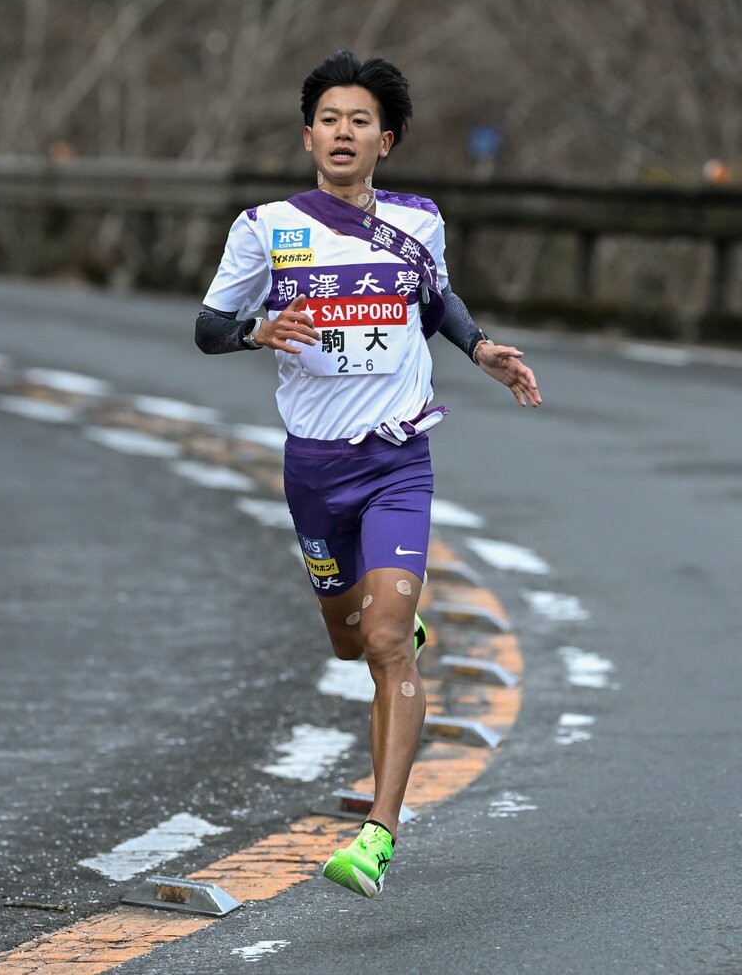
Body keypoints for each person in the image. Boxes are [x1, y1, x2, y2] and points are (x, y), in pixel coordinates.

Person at [195, 49, 540, 899]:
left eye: (362, 121)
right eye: (330, 119)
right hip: (314, 468)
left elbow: (437, 302)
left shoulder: (420, 223)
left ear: (386, 140)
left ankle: (378, 834)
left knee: (387, 641)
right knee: (349, 639)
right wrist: (256, 333)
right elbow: (207, 327)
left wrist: (481, 347)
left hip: (397, 460)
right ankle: (388, 630)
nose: (344, 133)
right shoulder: (265, 227)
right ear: (307, 133)